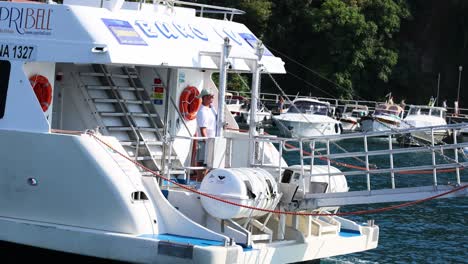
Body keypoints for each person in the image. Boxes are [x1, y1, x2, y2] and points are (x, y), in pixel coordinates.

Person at [195, 88, 217, 179]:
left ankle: (205, 183)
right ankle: (199, 182)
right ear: (203, 98)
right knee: (203, 164)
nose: (211, 99)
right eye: (209, 97)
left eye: (212, 97)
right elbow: (203, 130)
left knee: (210, 164)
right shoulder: (202, 111)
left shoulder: (212, 109)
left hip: (212, 140)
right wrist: (206, 142)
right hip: (205, 142)